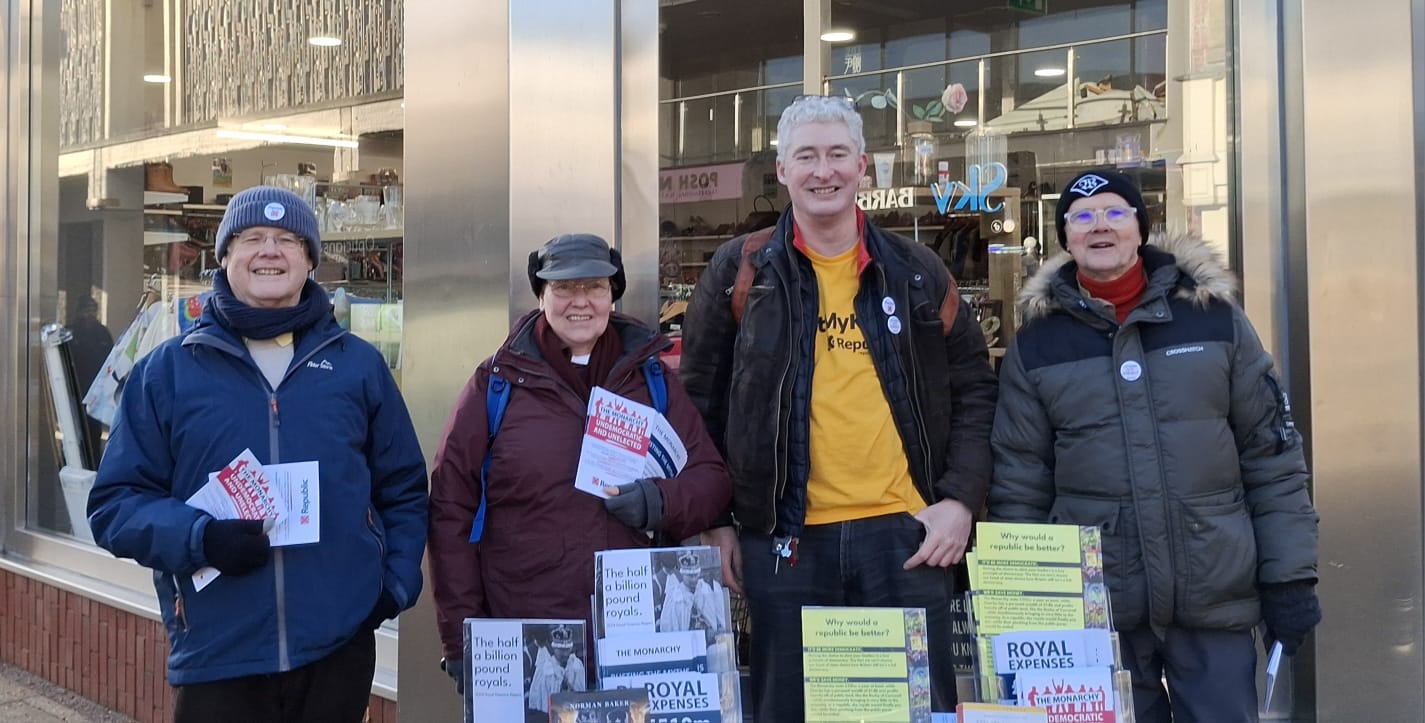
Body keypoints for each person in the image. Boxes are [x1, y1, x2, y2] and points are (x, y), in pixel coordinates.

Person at [679, 95, 999, 719]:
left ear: (862, 166)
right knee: (790, 709)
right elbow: (699, 401)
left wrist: (960, 501)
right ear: (782, 170)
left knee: (908, 711)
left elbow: (975, 390)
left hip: (906, 537)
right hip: (784, 540)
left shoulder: (917, 271)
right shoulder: (741, 272)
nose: (822, 171)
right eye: (806, 156)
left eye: (837, 155)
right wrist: (713, 519)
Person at [86, 186, 429, 723]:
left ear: (310, 260)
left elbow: (403, 488)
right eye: (252, 238)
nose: (270, 250)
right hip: (218, 650)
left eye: (288, 239)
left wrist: (394, 586)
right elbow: (114, 506)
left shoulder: (358, 367)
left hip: (336, 648)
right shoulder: (166, 372)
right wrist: (200, 538)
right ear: (224, 256)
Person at [988, 169, 1321, 723]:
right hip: (1099, 614)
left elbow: (1272, 458)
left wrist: (1290, 577)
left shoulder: (1215, 321)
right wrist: (1022, 597)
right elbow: (1020, 484)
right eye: (1082, 217)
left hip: (1214, 598)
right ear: (1065, 237)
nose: (1100, 226)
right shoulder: (1037, 345)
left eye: (1115, 212)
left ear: (1140, 228)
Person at [428, 233, 732, 693]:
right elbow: (451, 511)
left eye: (595, 286)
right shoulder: (496, 384)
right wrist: (460, 636)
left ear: (613, 294)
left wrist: (658, 501)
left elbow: (710, 479)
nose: (581, 301)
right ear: (541, 295)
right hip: (528, 634)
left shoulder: (652, 380)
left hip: (635, 638)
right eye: (564, 287)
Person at [656, 549, 726, 635]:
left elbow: (718, 618)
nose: (693, 579)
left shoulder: (706, 588)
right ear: (683, 575)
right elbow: (667, 625)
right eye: (690, 576)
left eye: (695, 575)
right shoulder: (675, 596)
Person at [527, 625, 586, 719]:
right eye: (561, 650)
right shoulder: (544, 669)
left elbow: (583, 694)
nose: (565, 653)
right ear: (554, 649)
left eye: (567, 649)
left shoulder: (577, 666)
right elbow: (537, 700)